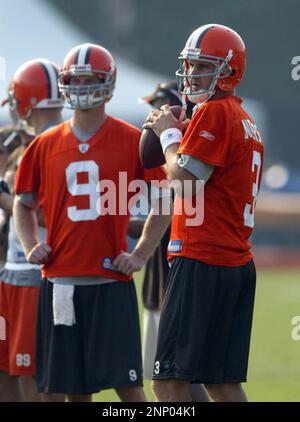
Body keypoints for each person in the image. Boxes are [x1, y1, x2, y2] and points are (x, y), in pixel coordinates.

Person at [13, 43, 170, 402]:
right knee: (72, 390)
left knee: (130, 388)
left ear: (108, 84)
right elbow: (23, 205)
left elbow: (164, 199)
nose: (82, 88)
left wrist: (141, 253)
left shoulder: (133, 140)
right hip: (61, 283)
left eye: (90, 80)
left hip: (109, 282)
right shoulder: (44, 144)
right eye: (76, 80)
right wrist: (29, 245)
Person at [143, 24, 264, 402]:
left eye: (202, 66)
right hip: (235, 261)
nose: (192, 74)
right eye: (190, 66)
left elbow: (183, 183)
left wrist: (168, 135)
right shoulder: (245, 119)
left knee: (167, 381)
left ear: (229, 70)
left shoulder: (214, 112)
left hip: (202, 257)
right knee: (222, 383)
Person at [135, 80, 209, 402]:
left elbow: (171, 202)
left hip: (179, 270)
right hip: (168, 274)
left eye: (160, 107)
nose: (154, 115)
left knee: (171, 379)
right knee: (175, 379)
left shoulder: (184, 152)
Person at [0, 59, 64, 402]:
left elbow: (55, 216)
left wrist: (7, 201)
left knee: (32, 373)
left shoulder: (53, 146)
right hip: (12, 272)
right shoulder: (26, 144)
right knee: (7, 369)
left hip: (34, 274)